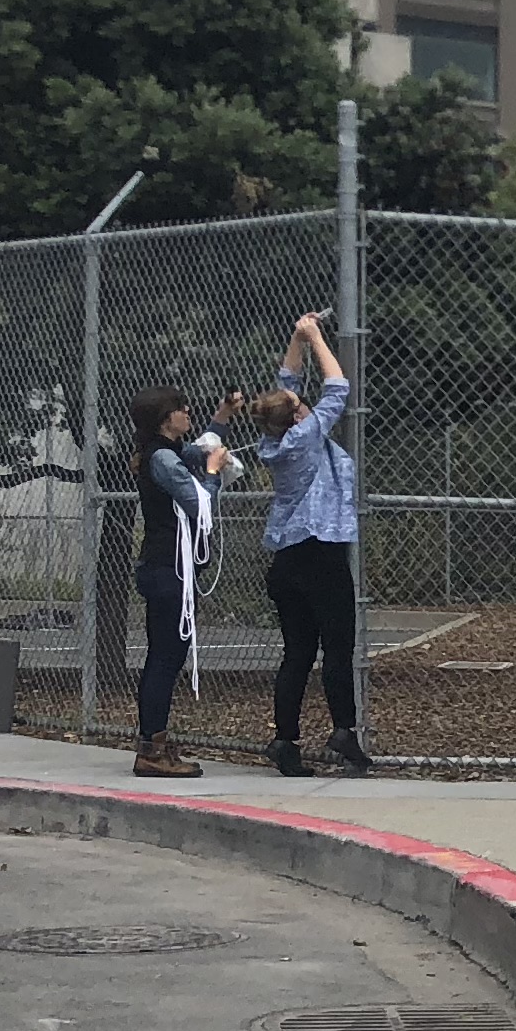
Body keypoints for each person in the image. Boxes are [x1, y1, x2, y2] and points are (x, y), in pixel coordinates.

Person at [232, 312, 367, 777]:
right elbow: (338, 386)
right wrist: (315, 337)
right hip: (322, 552)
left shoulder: (274, 438)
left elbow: (285, 382)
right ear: (299, 415)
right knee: (338, 648)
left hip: (287, 559)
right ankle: (344, 731)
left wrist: (295, 336)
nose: (303, 398)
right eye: (299, 401)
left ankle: (285, 739)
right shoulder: (308, 435)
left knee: (297, 652)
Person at [125, 388, 228, 779]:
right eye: (182, 409)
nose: (188, 413)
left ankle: (154, 742)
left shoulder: (166, 452)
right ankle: (152, 749)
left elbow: (199, 450)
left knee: (164, 657)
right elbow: (199, 504)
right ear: (166, 419)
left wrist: (222, 418)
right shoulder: (163, 458)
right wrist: (214, 474)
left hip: (167, 568)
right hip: (168, 570)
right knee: (165, 660)